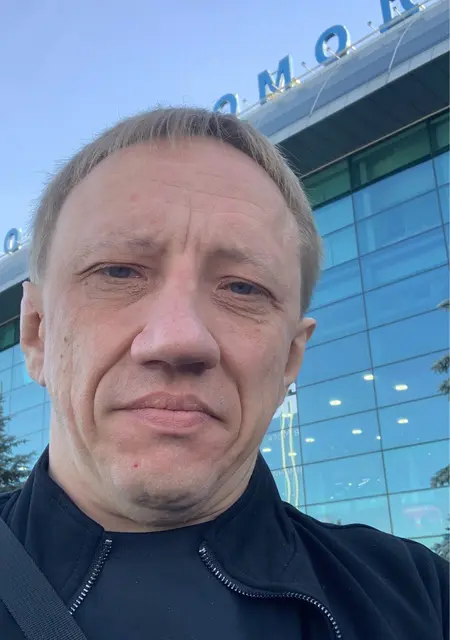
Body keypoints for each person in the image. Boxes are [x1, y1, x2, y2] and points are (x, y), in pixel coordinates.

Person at [0, 107, 447, 640]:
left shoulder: (423, 599)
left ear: (290, 359)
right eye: (118, 272)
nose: (179, 339)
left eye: (242, 288)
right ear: (37, 332)